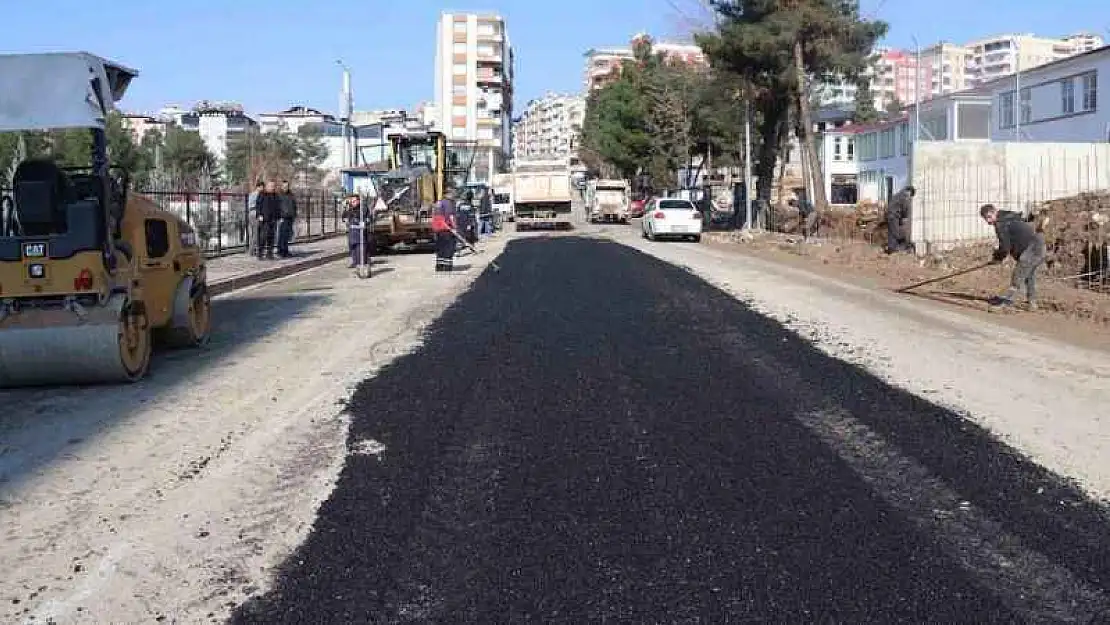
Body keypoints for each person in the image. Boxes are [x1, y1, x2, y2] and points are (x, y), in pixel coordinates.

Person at [980, 203, 1047, 310]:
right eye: (985, 219)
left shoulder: (1000, 224)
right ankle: (1032, 303)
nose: (988, 221)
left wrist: (997, 258)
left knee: (1017, 276)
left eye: (989, 217)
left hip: (1030, 250)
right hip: (1039, 245)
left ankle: (1006, 302)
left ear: (995, 212)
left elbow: (1005, 247)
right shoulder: (1008, 215)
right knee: (1029, 276)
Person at [342, 194, 371, 269]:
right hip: (351, 231)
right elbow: (344, 216)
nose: (352, 202)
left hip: (360, 232)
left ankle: (362, 263)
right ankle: (355, 262)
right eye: (351, 201)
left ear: (358, 201)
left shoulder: (363, 208)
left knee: (361, 247)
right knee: (352, 247)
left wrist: (364, 222)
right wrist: (345, 218)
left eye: (354, 201)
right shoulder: (349, 208)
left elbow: (367, 218)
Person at [432, 190, 458, 272]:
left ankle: (439, 266)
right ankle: (447, 267)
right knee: (448, 248)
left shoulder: (438, 203)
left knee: (441, 248)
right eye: (453, 194)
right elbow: (451, 216)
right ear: (448, 194)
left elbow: (435, 216)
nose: (454, 195)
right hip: (447, 229)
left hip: (439, 229)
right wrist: (454, 228)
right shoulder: (449, 203)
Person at [255, 181, 281, 260]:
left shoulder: (276, 195)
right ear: (267, 186)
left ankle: (269, 253)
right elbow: (258, 205)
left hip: (273, 219)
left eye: (273, 186)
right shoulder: (262, 194)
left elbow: (278, 207)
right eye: (270, 186)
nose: (272, 187)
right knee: (263, 237)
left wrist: (278, 217)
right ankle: (260, 253)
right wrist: (259, 215)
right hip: (264, 219)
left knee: (271, 237)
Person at [886, 185, 915, 253]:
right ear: (909, 191)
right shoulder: (904, 196)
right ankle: (895, 249)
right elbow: (905, 208)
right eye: (911, 195)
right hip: (894, 215)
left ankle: (891, 248)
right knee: (897, 233)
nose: (910, 197)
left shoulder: (898, 194)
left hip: (890, 215)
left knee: (892, 232)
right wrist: (905, 217)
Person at [276, 180, 298, 258]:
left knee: (287, 235)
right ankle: (280, 251)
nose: (285, 188)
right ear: (281, 186)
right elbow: (277, 207)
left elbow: (294, 205)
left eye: (287, 186)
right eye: (284, 186)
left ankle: (285, 250)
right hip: (283, 217)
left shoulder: (291, 195)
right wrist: (279, 216)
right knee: (282, 235)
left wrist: (294, 215)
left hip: (290, 217)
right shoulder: (278, 195)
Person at [247, 180, 263, 256]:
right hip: (255, 214)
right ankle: (253, 250)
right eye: (262, 187)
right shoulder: (258, 195)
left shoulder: (251, 194)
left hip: (251, 214)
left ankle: (252, 250)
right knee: (256, 233)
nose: (263, 189)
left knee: (253, 233)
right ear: (259, 187)